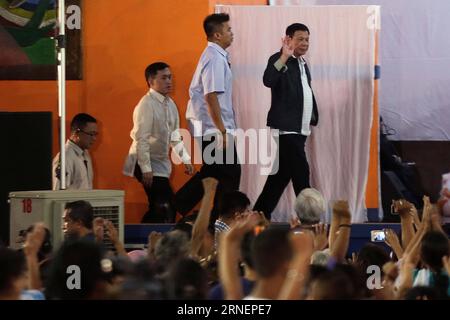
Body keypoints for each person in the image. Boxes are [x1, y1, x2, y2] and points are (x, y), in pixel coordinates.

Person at [176, 13, 240, 221]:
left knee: (217, 173)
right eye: (228, 30)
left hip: (212, 127)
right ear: (217, 34)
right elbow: (210, 95)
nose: (232, 33)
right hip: (212, 128)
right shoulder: (213, 58)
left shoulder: (216, 56)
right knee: (228, 173)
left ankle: (214, 219)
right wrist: (221, 130)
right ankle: (186, 206)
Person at [253, 23, 319, 220]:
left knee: (279, 177)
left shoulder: (302, 63)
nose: (305, 43)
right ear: (288, 40)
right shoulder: (279, 59)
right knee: (301, 174)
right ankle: (310, 220)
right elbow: (268, 80)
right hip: (287, 129)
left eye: (307, 39)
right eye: (300, 39)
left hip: (300, 129)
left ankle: (258, 215)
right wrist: (284, 55)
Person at [123, 62, 194, 223]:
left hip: (160, 163)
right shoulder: (146, 104)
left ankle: (150, 238)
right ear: (151, 81)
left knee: (164, 206)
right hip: (141, 160)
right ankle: (149, 239)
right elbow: (142, 138)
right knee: (164, 205)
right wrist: (146, 168)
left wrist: (186, 159)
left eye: (170, 77)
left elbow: (175, 137)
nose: (169, 81)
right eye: (163, 78)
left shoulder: (171, 105)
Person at [52, 113, 98, 190]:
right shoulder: (65, 157)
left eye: (95, 134)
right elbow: (58, 193)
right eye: (91, 134)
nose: (94, 138)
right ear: (76, 132)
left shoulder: (85, 154)